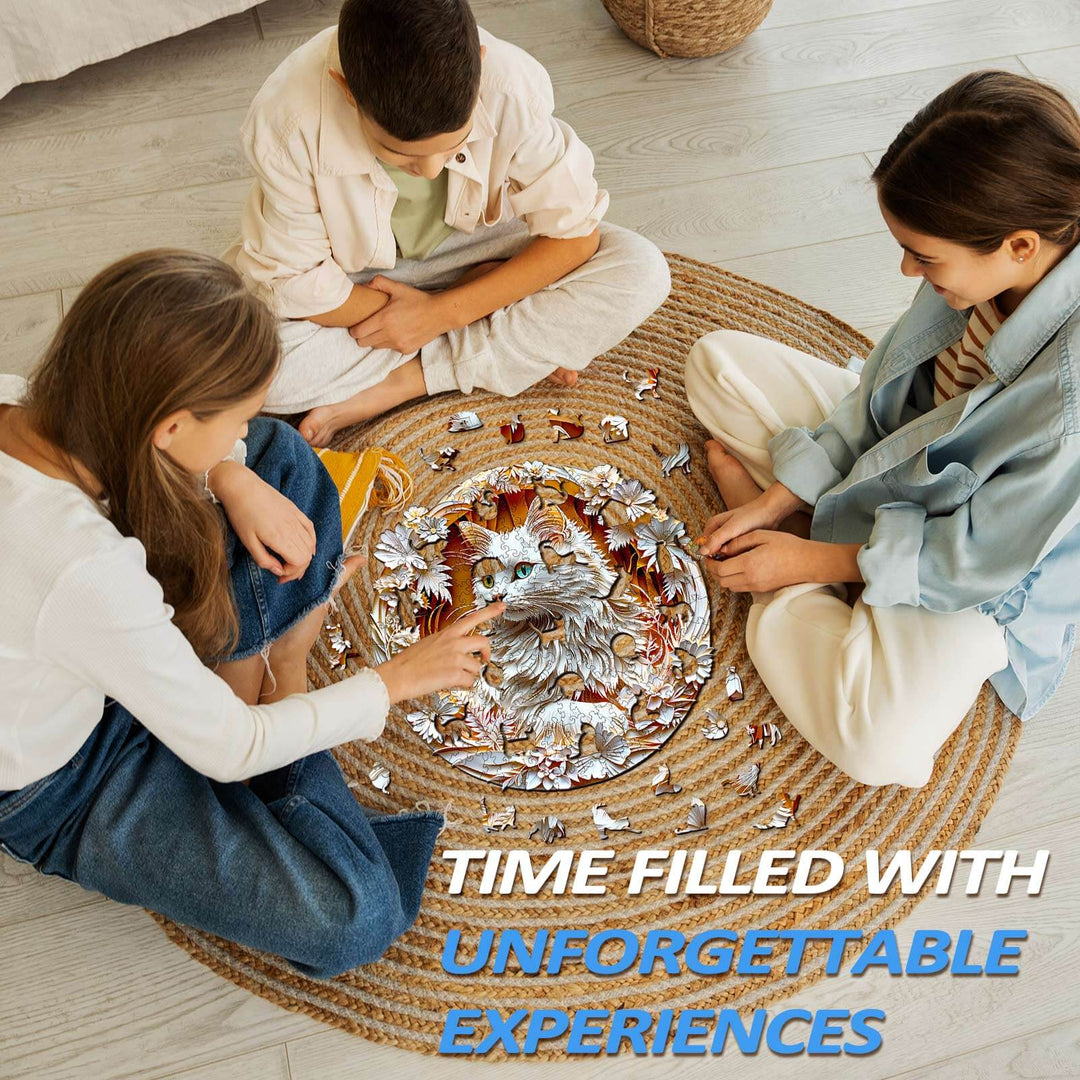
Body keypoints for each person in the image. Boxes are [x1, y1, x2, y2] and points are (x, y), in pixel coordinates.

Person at [0, 250, 504, 978]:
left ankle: (245, 676)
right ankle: (284, 664)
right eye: (232, 415)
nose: (242, 427)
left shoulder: (26, 399)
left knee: (278, 457)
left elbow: (223, 450)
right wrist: (389, 683)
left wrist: (231, 472)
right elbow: (228, 748)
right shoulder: (84, 568)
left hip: (81, 641)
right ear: (168, 428)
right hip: (68, 779)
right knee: (351, 917)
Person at [684, 71, 1080, 788]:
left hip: (975, 574)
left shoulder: (1070, 406)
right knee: (716, 364)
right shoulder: (989, 269)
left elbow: (977, 562)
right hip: (905, 455)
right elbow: (877, 393)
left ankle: (795, 581)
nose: (906, 270)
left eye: (924, 257)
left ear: (1019, 245)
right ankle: (811, 532)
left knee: (882, 749)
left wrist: (804, 567)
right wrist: (781, 497)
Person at [225, 0, 670, 447]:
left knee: (642, 270)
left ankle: (407, 381)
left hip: (487, 245)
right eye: (401, 153)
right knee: (255, 366)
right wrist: (468, 307)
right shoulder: (286, 123)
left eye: (454, 144)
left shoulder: (510, 84)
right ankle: (504, 338)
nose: (433, 171)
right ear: (348, 92)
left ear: (478, 62)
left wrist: (441, 313)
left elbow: (575, 237)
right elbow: (299, 285)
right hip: (356, 279)